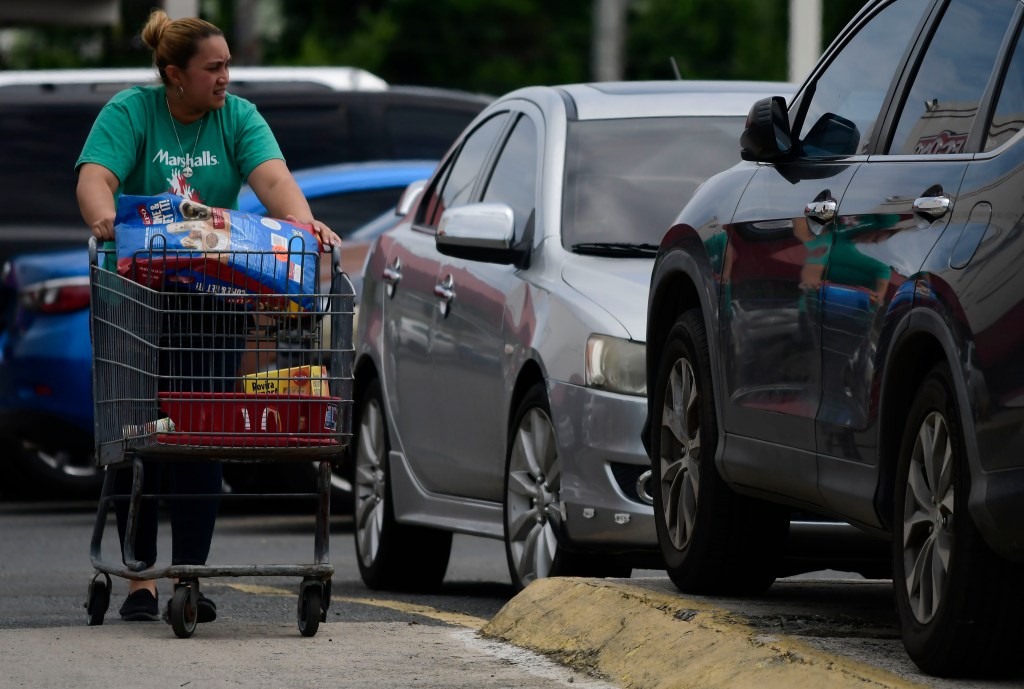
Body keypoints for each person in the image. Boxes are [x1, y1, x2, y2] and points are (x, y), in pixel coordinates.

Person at [75, 9, 341, 623]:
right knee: (136, 433)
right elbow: (97, 177)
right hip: (135, 297)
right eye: (212, 68)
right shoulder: (131, 112)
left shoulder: (238, 117)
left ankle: (187, 576)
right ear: (174, 74)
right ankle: (141, 579)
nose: (226, 78)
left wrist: (303, 225)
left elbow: (273, 180)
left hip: (208, 297)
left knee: (202, 435)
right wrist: (104, 218)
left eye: (228, 65)